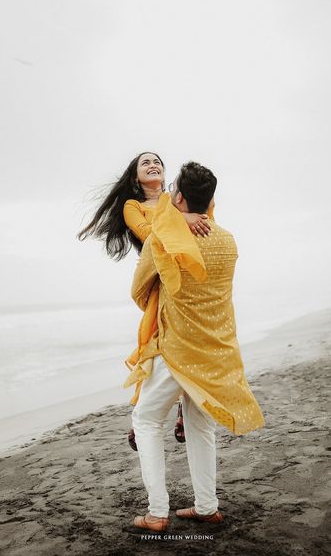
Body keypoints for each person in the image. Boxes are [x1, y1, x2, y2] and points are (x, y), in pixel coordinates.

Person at [125, 161, 265, 532]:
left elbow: (138, 289)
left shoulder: (165, 239)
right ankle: (207, 507)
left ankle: (157, 513)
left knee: (146, 420)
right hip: (216, 349)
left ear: (180, 197)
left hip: (177, 350)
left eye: (173, 189)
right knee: (200, 425)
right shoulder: (228, 240)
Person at [78, 152, 212, 448]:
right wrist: (185, 218)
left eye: (158, 162)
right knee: (155, 345)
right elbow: (151, 234)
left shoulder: (178, 199)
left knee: (194, 342)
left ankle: (184, 409)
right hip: (158, 280)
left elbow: (206, 219)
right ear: (136, 177)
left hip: (189, 276)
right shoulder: (133, 206)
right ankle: (142, 415)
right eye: (146, 163)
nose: (153, 165)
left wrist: (192, 214)